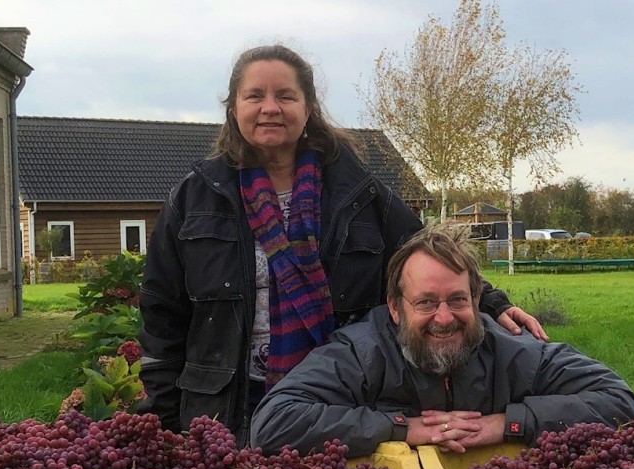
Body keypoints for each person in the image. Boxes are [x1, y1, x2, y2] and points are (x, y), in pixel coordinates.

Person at [138, 44, 545, 444]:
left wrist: (492, 302)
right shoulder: (195, 198)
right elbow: (162, 315)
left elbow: (429, 256)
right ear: (233, 108)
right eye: (255, 95)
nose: (270, 108)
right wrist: (166, 424)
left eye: (286, 96)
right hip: (222, 410)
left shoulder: (359, 193)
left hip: (338, 404)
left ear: (308, 108)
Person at [250, 223, 634, 457]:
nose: (444, 318)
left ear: (476, 299)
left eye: (457, 300)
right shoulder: (361, 353)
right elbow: (273, 422)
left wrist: (506, 423)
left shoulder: (516, 353)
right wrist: (401, 427)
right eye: (425, 302)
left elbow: (621, 403)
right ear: (395, 307)